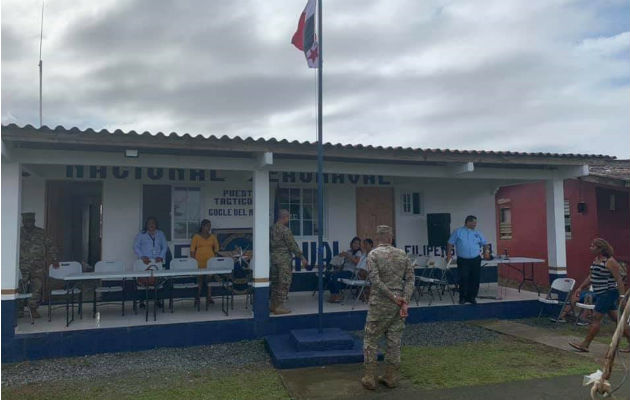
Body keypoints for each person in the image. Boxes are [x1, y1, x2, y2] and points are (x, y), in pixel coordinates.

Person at [362, 225, 414, 390]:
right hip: (398, 306)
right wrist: (404, 300)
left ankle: (369, 377)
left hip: (380, 304)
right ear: (391, 238)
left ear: (378, 238)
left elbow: (375, 281)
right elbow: (411, 279)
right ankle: (391, 376)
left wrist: (392, 297)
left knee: (371, 339)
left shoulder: (373, 254)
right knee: (394, 341)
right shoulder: (402, 254)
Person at [569, 238, 630, 353]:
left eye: (593, 246)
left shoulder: (610, 262)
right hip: (600, 293)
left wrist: (622, 297)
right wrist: (580, 287)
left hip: (608, 293)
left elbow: (619, 280)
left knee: (596, 318)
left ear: (600, 249)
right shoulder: (596, 260)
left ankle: (585, 344)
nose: (590, 247)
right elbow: (591, 277)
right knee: (617, 319)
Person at [18, 212, 59, 318]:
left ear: (34, 221)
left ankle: (33, 308)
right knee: (21, 287)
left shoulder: (41, 233)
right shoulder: (18, 233)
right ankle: (19, 309)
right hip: (22, 266)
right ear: (23, 221)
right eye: (27, 221)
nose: (29, 223)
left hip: (38, 266)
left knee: (37, 287)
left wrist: (54, 259)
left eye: (31, 221)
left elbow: (51, 246)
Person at [269, 209, 308, 315]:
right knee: (284, 282)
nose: (288, 219)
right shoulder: (285, 230)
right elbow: (292, 246)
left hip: (273, 260)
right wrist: (302, 258)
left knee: (275, 282)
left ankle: (273, 305)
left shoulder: (271, 229)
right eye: (288, 217)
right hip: (284, 261)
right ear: (284, 217)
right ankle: (280, 306)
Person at [446, 215, 489, 305]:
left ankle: (472, 297)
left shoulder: (478, 232)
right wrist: (449, 255)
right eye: (474, 222)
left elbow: (485, 243)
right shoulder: (458, 232)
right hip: (463, 260)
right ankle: (463, 298)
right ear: (468, 222)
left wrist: (486, 253)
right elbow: (450, 243)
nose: (475, 224)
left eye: (475, 223)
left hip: (476, 260)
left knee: (475, 279)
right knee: (463, 278)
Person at [133, 217, 168, 308]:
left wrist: (161, 256)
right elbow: (136, 246)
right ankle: (142, 301)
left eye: (153, 223)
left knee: (157, 281)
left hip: (157, 261)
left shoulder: (161, 234)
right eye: (149, 223)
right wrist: (142, 256)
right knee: (144, 280)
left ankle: (158, 300)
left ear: (156, 224)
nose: (151, 225)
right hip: (145, 261)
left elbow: (165, 246)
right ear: (146, 225)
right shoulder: (141, 234)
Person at [190, 219, 220, 304]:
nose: (209, 228)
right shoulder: (196, 236)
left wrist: (214, 257)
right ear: (202, 226)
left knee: (209, 280)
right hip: (199, 261)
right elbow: (192, 250)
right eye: (207, 226)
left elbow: (216, 248)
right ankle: (197, 297)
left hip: (210, 261)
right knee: (199, 280)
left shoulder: (212, 237)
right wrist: (193, 262)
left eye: (210, 226)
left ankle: (209, 297)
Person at [328, 237, 363, 303]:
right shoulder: (349, 251)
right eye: (354, 243)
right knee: (330, 275)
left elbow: (357, 262)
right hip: (344, 271)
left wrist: (348, 256)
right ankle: (333, 295)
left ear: (359, 245)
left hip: (351, 273)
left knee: (335, 276)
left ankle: (337, 295)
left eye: (358, 244)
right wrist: (340, 258)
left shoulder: (358, 252)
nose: (356, 245)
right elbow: (344, 263)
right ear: (351, 244)